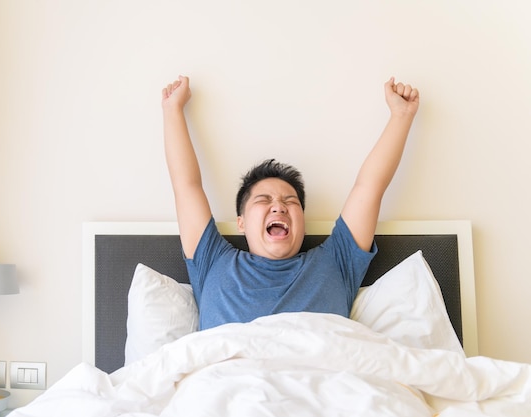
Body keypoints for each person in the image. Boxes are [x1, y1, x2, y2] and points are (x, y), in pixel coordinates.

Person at [162, 75, 419, 330]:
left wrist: (401, 116)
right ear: (241, 222)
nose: (279, 206)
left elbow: (370, 187)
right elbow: (186, 186)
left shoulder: (335, 261)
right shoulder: (213, 261)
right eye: (264, 199)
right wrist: (173, 110)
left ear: (302, 223)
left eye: (290, 201)